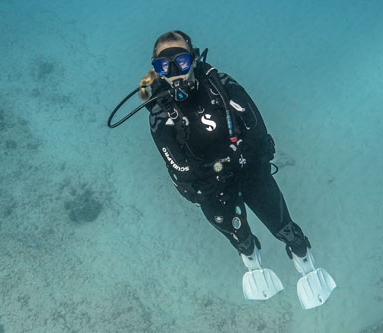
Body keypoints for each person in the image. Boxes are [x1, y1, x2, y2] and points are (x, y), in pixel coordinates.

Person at [138, 30, 335, 309]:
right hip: (208, 186)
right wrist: (209, 174)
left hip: (247, 167)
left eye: (180, 62)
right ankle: (252, 260)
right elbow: (177, 165)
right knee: (239, 237)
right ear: (156, 70)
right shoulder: (159, 113)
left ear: (193, 59)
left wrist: (254, 155)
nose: (174, 72)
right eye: (164, 65)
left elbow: (255, 124)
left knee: (285, 227)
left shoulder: (219, 83)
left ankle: (306, 262)